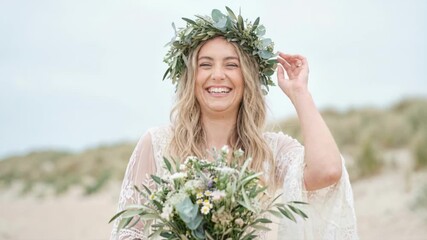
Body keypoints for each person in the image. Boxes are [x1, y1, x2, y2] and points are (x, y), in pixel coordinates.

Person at [111, 7, 358, 240]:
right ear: (191, 77)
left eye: (231, 64)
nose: (218, 74)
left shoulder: (270, 150)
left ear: (247, 77)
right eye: (205, 64)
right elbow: (130, 233)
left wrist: (299, 93)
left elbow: (327, 172)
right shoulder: (157, 144)